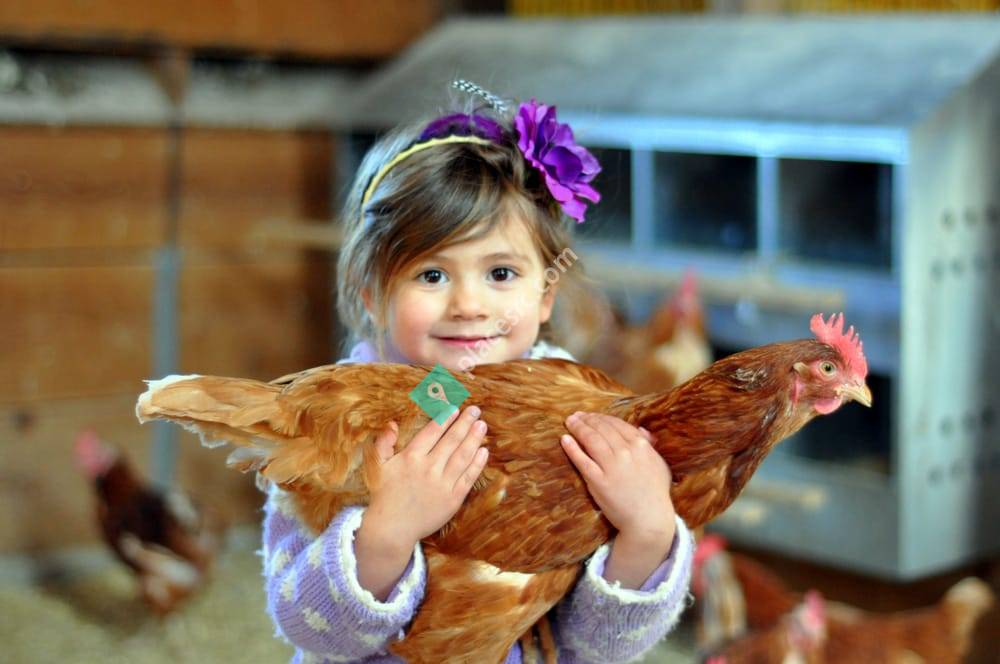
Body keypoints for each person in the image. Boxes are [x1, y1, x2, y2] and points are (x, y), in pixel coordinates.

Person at [261, 81, 694, 663]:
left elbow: (593, 647)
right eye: (432, 275)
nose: (468, 305)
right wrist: (387, 534)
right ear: (371, 294)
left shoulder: (578, 418)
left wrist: (646, 532)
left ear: (546, 294)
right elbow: (310, 629)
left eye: (501, 274)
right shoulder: (336, 417)